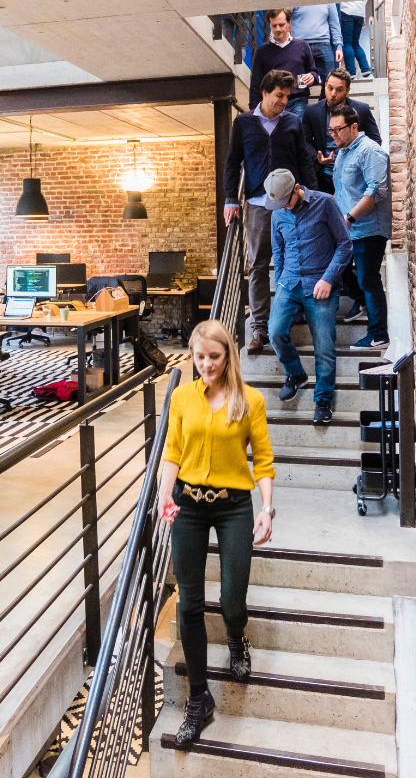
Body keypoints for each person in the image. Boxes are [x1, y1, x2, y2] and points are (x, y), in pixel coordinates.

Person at [158, 320, 276, 746]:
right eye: (200, 357)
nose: (206, 365)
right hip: (188, 506)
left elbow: (262, 461)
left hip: (233, 508)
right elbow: (173, 450)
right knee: (188, 602)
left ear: (229, 357)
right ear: (192, 356)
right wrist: (163, 494)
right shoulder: (182, 398)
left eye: (214, 357)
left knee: (231, 598)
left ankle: (236, 637)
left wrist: (267, 508)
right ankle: (199, 698)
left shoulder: (251, 401)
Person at [224, 69, 318, 354]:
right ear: (264, 93)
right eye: (279, 95)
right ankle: (259, 328)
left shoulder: (291, 121)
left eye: (288, 96)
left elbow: (302, 158)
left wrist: (312, 194)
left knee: (295, 261)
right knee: (258, 266)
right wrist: (230, 199)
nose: (284, 102)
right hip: (256, 205)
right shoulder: (242, 123)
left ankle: (289, 316)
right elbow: (232, 162)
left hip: (290, 205)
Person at [266, 169, 352, 425]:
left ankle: (323, 400)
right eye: (279, 205)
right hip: (290, 282)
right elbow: (278, 252)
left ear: (297, 188)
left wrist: (328, 278)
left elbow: (345, 245)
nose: (285, 208)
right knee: (274, 332)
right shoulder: (277, 214)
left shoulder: (325, 203)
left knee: (324, 347)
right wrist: (280, 284)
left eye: (287, 202)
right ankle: (296, 373)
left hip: (320, 282)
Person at [302, 67, 381, 322]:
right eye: (329, 88)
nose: (332, 93)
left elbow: (375, 141)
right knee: (333, 245)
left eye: (339, 90)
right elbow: (305, 141)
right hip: (325, 184)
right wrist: (318, 157)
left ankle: (363, 304)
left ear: (348, 91)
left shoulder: (361, 110)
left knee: (353, 251)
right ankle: (356, 297)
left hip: (354, 186)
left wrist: (349, 153)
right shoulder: (312, 111)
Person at [331, 104, 392, 350]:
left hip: (368, 228)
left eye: (338, 129)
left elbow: (375, 192)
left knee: (369, 279)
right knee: (338, 268)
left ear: (354, 127)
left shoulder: (371, 152)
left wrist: (349, 218)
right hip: (347, 228)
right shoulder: (344, 152)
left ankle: (378, 334)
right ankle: (361, 300)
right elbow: (341, 190)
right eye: (330, 130)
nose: (333, 134)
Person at [249, 8, 320, 119]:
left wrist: (312, 77)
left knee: (297, 132)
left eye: (281, 25)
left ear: (289, 23)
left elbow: (314, 72)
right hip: (273, 101)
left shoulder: (302, 46)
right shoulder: (262, 51)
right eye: (274, 26)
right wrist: (254, 110)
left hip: (298, 99)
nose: (278, 29)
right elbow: (256, 83)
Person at [291, 5, 343, 91]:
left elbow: (334, 23)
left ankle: (323, 104)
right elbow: (283, 17)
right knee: (300, 86)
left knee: (330, 83)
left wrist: (339, 46)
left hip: (323, 44)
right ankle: (302, 103)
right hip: (300, 45)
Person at [340, 1, 372, 80]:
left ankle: (351, 74)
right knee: (355, 43)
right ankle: (366, 71)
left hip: (346, 10)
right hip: (360, 12)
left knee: (347, 43)